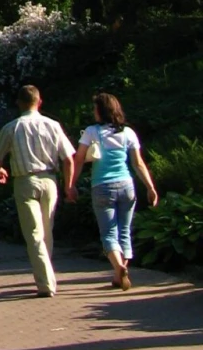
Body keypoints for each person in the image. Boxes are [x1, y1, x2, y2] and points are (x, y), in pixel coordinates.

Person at [67, 91, 159, 290]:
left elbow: (80, 159)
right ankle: (120, 274)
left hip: (102, 187)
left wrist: (71, 184)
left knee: (109, 233)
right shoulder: (128, 133)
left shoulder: (92, 132)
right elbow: (138, 163)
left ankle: (118, 268)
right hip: (127, 185)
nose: (93, 112)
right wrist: (150, 187)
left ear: (101, 111)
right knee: (124, 231)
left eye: (95, 108)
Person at [0, 84, 75, 297]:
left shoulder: (12, 127)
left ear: (19, 103)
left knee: (34, 234)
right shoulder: (53, 125)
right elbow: (68, 158)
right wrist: (69, 185)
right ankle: (46, 277)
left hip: (25, 181)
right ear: (39, 102)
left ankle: (46, 283)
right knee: (47, 232)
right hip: (49, 180)